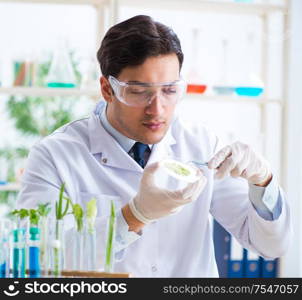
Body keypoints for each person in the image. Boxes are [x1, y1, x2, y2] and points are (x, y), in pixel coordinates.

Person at [17, 15, 292, 277]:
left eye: (170, 90)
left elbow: (271, 246)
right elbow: (41, 262)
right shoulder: (54, 155)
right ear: (107, 89)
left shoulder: (201, 144)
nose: (157, 109)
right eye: (138, 92)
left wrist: (262, 181)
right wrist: (134, 216)